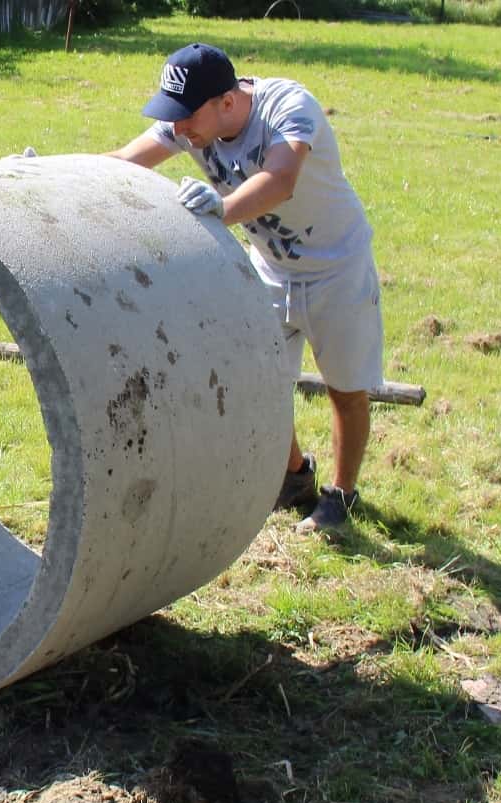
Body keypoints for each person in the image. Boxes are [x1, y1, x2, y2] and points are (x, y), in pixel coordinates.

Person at [107, 43, 383, 533]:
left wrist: (221, 208)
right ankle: (295, 475)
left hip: (337, 265)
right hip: (271, 268)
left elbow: (281, 179)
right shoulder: (190, 122)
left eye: (187, 117)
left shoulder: (288, 107)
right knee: (259, 380)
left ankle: (341, 494)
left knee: (345, 388)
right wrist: (51, 174)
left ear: (227, 104)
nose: (179, 130)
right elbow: (125, 160)